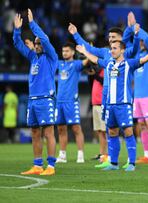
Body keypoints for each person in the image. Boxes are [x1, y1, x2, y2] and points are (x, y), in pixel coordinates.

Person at [76, 24, 148, 171]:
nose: (111, 51)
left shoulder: (128, 63)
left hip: (123, 104)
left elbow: (143, 59)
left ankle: (131, 163)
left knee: (128, 131)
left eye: (114, 48)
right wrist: (84, 51)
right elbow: (95, 59)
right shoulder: (108, 63)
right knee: (112, 132)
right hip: (110, 105)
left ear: (122, 50)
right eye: (111, 48)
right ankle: (113, 163)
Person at [68, 22, 139, 168]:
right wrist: (75, 34)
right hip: (105, 96)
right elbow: (89, 49)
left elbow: (136, 50)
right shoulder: (106, 52)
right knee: (108, 130)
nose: (110, 39)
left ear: (121, 39)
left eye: (114, 37)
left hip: (120, 96)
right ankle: (111, 160)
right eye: (109, 37)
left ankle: (131, 161)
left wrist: (135, 34)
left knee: (126, 129)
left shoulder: (126, 52)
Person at [13, 9, 57, 176]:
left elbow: (44, 38)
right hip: (33, 100)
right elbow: (18, 44)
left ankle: (51, 166)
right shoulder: (33, 58)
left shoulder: (51, 57)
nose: (37, 45)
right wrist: (17, 30)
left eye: (39, 44)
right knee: (34, 132)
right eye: (36, 44)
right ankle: (37, 165)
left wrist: (32, 24)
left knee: (48, 132)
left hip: (46, 99)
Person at [124, 12, 148, 164]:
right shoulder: (136, 57)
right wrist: (130, 29)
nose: (140, 42)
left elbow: (147, 39)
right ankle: (147, 155)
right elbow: (125, 43)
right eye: (138, 41)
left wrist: (136, 27)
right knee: (141, 125)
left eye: (141, 40)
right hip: (138, 95)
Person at [55, 42, 88, 164]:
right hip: (59, 102)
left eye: (67, 51)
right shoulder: (59, 64)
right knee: (61, 129)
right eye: (63, 51)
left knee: (76, 129)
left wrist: (85, 52)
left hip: (71, 102)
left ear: (73, 52)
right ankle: (62, 155)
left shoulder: (76, 65)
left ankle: (80, 154)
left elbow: (88, 61)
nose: (64, 53)